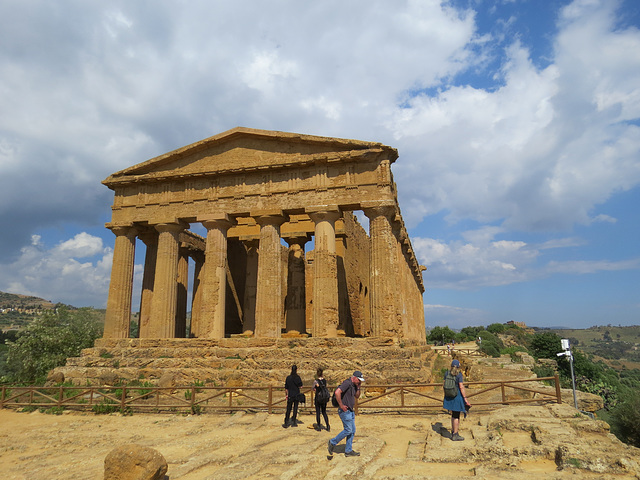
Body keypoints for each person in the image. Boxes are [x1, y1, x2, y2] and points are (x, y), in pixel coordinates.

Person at [327, 370, 364, 457]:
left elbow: (357, 396)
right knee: (348, 430)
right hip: (345, 411)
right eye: (359, 380)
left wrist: (358, 387)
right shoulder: (347, 383)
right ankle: (332, 442)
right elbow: (337, 392)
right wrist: (341, 405)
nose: (359, 382)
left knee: (352, 431)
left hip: (350, 411)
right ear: (354, 378)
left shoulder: (354, 385)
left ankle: (348, 451)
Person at [443, 359, 470, 441]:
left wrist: (446, 393)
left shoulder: (446, 373)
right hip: (457, 396)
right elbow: (461, 387)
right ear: (458, 367)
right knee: (456, 415)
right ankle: (455, 434)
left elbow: (444, 384)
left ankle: (453, 431)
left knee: (453, 415)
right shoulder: (459, 375)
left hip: (449, 396)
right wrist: (465, 398)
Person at [312, 367, 330, 432]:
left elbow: (313, 389)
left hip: (318, 398)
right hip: (324, 398)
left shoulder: (316, 381)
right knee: (324, 412)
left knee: (318, 412)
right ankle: (328, 425)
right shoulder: (324, 381)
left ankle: (319, 426)